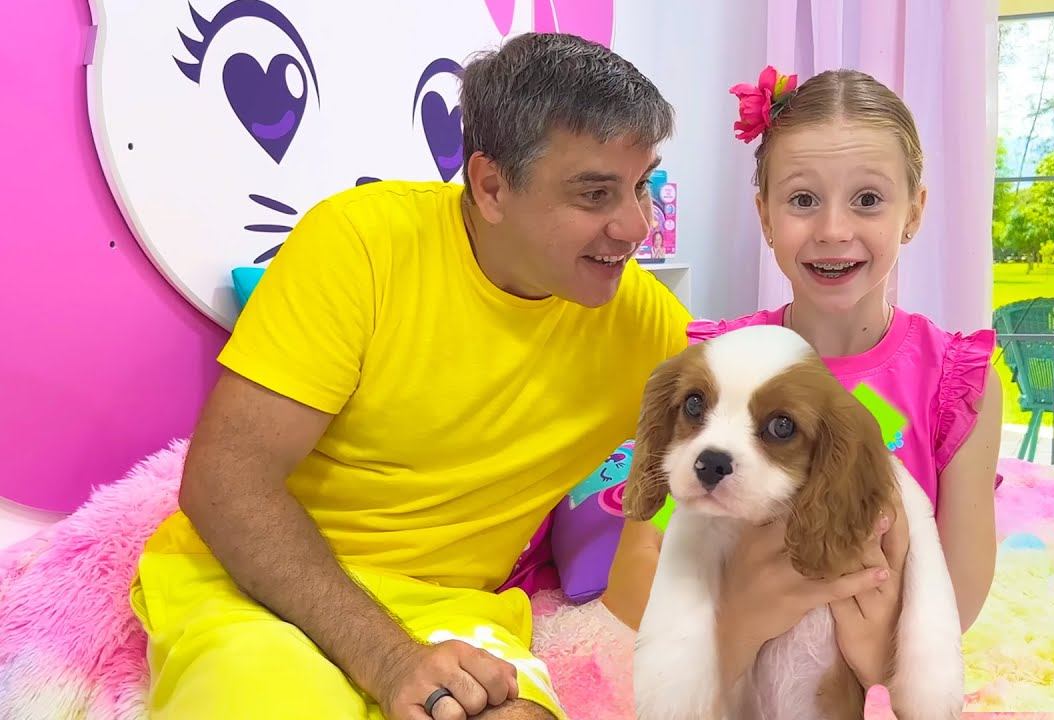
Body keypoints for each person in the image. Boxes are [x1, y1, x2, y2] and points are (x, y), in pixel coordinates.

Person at [128, 32, 700, 720]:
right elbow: (225, 483)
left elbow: (776, 423)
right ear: (491, 186)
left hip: (454, 611)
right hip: (255, 588)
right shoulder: (360, 245)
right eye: (595, 194)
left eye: (641, 186)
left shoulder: (650, 326)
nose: (635, 226)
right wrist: (389, 660)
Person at [603, 66, 1002, 700]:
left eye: (867, 199)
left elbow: (957, 602)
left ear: (914, 211)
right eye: (803, 200)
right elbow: (633, 577)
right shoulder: (715, 364)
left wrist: (877, 657)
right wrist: (738, 626)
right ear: (764, 215)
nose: (833, 230)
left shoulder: (956, 379)